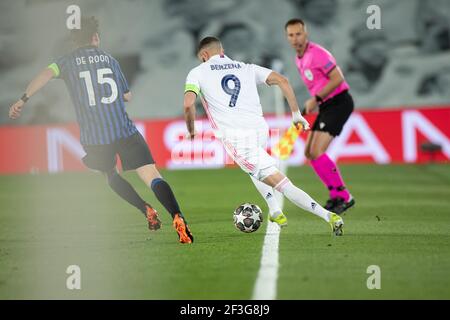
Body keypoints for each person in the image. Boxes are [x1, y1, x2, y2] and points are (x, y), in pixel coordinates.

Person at [8, 16, 193, 244]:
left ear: (74, 41)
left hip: (95, 138)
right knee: (151, 175)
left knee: (110, 175)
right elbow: (127, 95)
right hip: (125, 131)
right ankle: (177, 215)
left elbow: (45, 75)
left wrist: (23, 99)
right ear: (95, 37)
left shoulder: (66, 61)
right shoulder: (110, 60)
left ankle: (144, 208)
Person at [183, 36, 344, 235]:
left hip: (236, 137)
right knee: (253, 169)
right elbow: (282, 80)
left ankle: (328, 216)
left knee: (280, 183)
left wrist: (191, 130)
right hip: (259, 129)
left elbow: (189, 103)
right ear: (222, 51)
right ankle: (274, 209)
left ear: (204, 55)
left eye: (201, 58)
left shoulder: (197, 72)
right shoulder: (246, 67)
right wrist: (296, 114)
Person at [285, 18, 355, 214]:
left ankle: (345, 196)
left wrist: (315, 99)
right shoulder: (298, 58)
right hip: (326, 105)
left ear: (305, 34)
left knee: (317, 151)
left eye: (298, 34)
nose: (295, 38)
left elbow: (337, 78)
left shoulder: (317, 53)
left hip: (339, 102)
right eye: (291, 35)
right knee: (309, 153)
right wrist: (315, 102)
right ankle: (335, 196)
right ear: (287, 37)